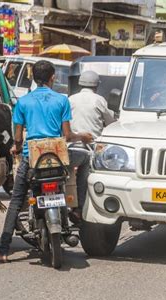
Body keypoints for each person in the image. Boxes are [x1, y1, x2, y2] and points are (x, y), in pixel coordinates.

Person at [0, 60, 93, 263]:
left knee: (16, 202)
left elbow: (18, 138)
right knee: (86, 159)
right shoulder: (61, 100)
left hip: (33, 159)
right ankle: (77, 209)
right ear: (52, 77)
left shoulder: (23, 102)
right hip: (58, 159)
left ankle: (3, 251)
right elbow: (67, 134)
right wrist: (83, 136)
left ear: (33, 78)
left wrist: (17, 148)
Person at [67, 70, 115, 222]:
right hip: (91, 149)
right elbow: (111, 123)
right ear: (96, 86)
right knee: (87, 176)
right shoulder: (99, 100)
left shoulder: (70, 99)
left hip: (70, 147)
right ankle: (80, 208)